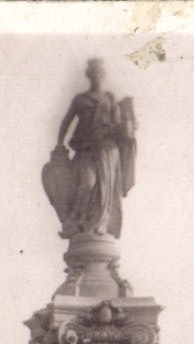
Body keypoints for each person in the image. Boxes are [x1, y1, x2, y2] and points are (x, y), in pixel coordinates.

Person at [49, 58, 136, 239]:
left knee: (105, 190)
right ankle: (79, 222)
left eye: (100, 73)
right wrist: (59, 143)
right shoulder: (81, 100)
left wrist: (127, 127)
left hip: (107, 149)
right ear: (89, 76)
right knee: (87, 184)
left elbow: (120, 126)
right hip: (86, 149)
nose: (97, 77)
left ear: (103, 76)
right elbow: (66, 121)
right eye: (94, 73)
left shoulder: (110, 99)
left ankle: (99, 224)